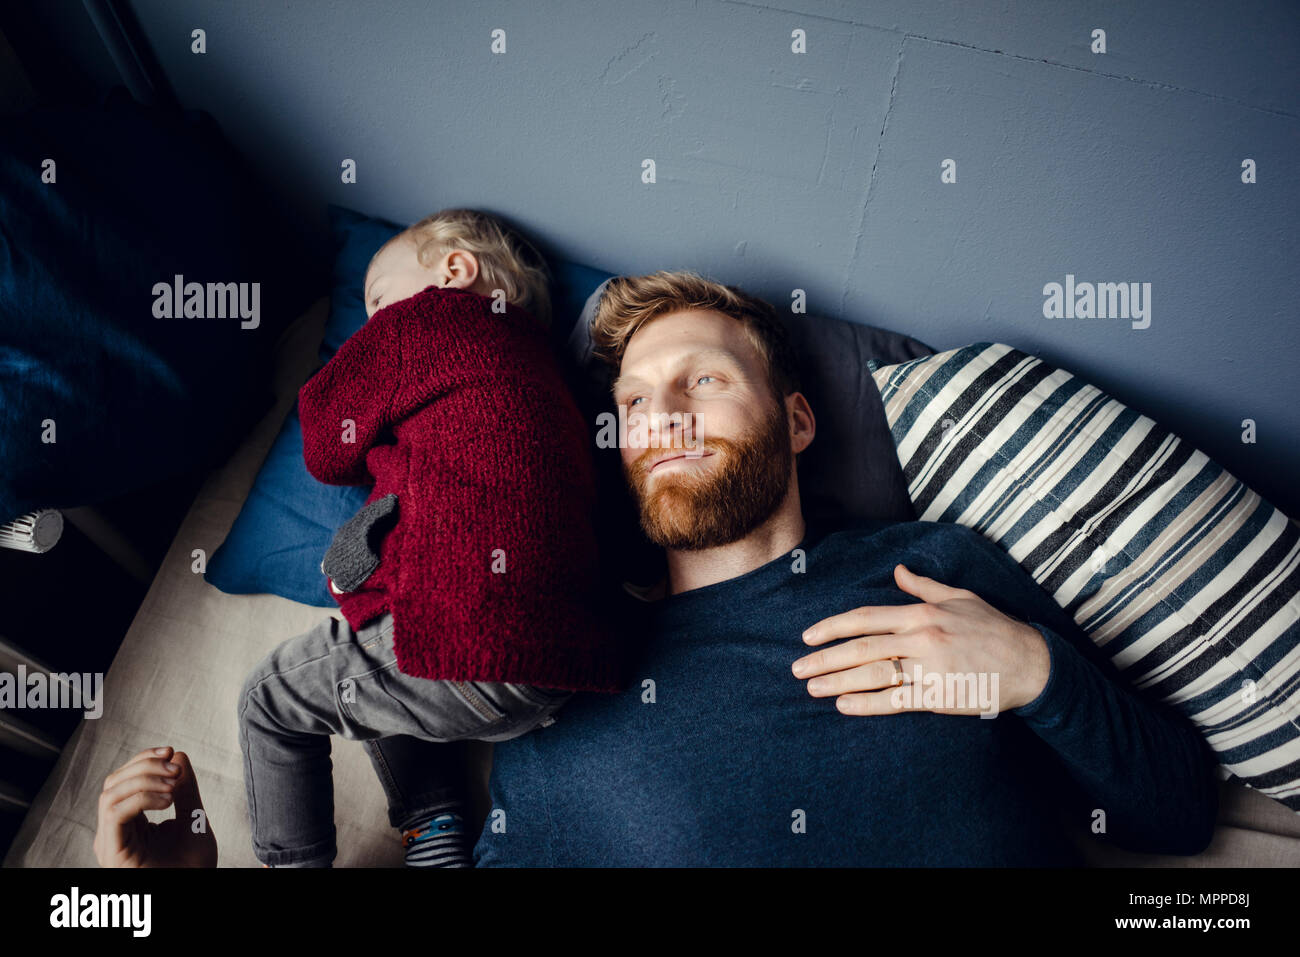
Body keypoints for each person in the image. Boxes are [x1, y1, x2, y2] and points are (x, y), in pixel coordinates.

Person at [94, 269, 1220, 867]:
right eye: (633, 405)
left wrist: (1031, 671)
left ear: (796, 419)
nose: (661, 420)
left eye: (701, 383)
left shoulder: (935, 569)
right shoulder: (555, 681)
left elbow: (1177, 811)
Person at [238, 209, 625, 868]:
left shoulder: (426, 322)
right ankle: (434, 824)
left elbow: (326, 443)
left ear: (454, 270)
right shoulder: (553, 379)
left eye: (378, 299)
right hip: (558, 676)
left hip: (470, 639)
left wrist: (357, 368)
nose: (370, 323)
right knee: (375, 662)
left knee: (268, 699)